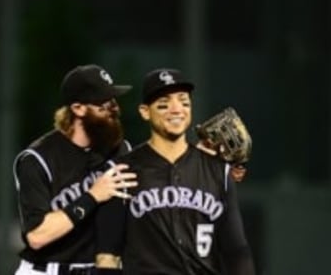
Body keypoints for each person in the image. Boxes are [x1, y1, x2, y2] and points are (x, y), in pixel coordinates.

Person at [95, 68, 256, 275]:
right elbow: (107, 256)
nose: (176, 109)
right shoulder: (122, 171)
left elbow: (236, 251)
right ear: (145, 111)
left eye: (184, 102)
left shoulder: (217, 171)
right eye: (164, 104)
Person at [13, 64, 138, 275]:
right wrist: (92, 196)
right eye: (103, 104)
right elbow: (36, 236)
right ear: (78, 108)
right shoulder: (38, 159)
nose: (113, 109)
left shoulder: (119, 150)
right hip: (46, 271)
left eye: (113, 101)